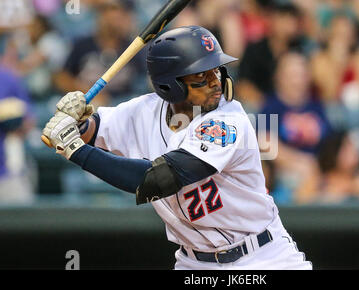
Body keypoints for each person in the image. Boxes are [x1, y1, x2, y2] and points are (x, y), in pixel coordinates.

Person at [42, 26, 312, 270]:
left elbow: (155, 180)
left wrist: (75, 150)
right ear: (169, 85)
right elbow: (94, 130)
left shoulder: (228, 122)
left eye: (216, 70)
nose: (215, 82)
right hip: (194, 262)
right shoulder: (144, 110)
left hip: (262, 258)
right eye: (201, 76)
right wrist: (75, 121)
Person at [259, 52, 331, 205]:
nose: (297, 81)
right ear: (279, 77)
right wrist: (301, 163)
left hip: (320, 173)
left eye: (301, 74)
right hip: (285, 176)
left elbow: (331, 144)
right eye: (291, 74)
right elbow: (265, 143)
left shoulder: (316, 107)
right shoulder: (271, 107)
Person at [54, 0, 147, 107]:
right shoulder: (84, 45)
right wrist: (87, 92)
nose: (108, 17)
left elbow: (143, 82)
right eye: (103, 11)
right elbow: (61, 77)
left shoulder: (133, 47)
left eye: (114, 11)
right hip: (87, 103)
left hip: (121, 105)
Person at [237, 2, 316, 112]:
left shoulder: (299, 49)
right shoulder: (255, 49)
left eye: (291, 20)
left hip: (293, 106)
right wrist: (268, 104)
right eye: (283, 18)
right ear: (272, 20)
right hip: (263, 107)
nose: (288, 25)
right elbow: (244, 85)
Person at [309, 130, 359, 204]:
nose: (355, 152)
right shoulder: (318, 181)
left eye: (354, 148)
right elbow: (303, 201)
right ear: (334, 152)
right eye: (347, 148)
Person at [0, 65, 35, 204]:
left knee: (23, 219)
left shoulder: (7, 79)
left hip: (6, 174)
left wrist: (13, 121)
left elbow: (29, 121)